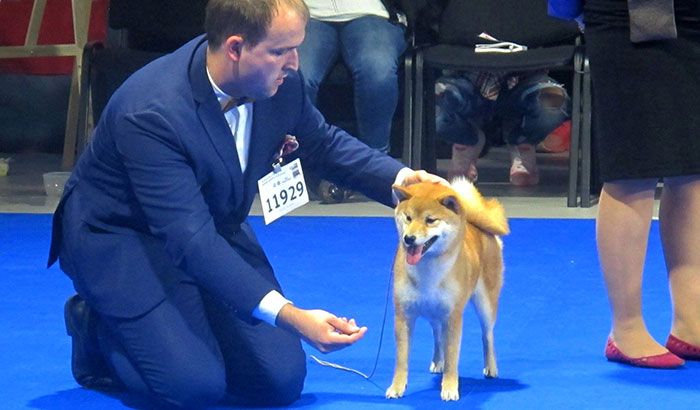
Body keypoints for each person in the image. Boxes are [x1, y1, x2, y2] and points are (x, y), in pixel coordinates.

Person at [47, 0, 445, 407]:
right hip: (124, 237)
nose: (294, 63)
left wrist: (403, 181)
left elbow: (322, 143)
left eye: (296, 48)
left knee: (279, 381)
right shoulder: (151, 112)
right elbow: (191, 242)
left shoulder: (277, 80)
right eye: (281, 51)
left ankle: (188, 325)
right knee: (194, 387)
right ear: (235, 47)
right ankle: (93, 324)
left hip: (207, 223)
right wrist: (291, 315)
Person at [553, 0, 700, 368]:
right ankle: (626, 327)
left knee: (693, 169)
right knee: (633, 169)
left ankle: (691, 320)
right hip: (626, 15)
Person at [297, 0, 408, 155]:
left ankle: (376, 159)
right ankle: (298, 158)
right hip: (306, 13)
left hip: (372, 12)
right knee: (295, 75)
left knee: (376, 69)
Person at [435, 70, 571, 185]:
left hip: (526, 74)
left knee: (554, 100)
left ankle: (523, 143)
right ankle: (464, 143)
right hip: (466, 75)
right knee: (430, 100)